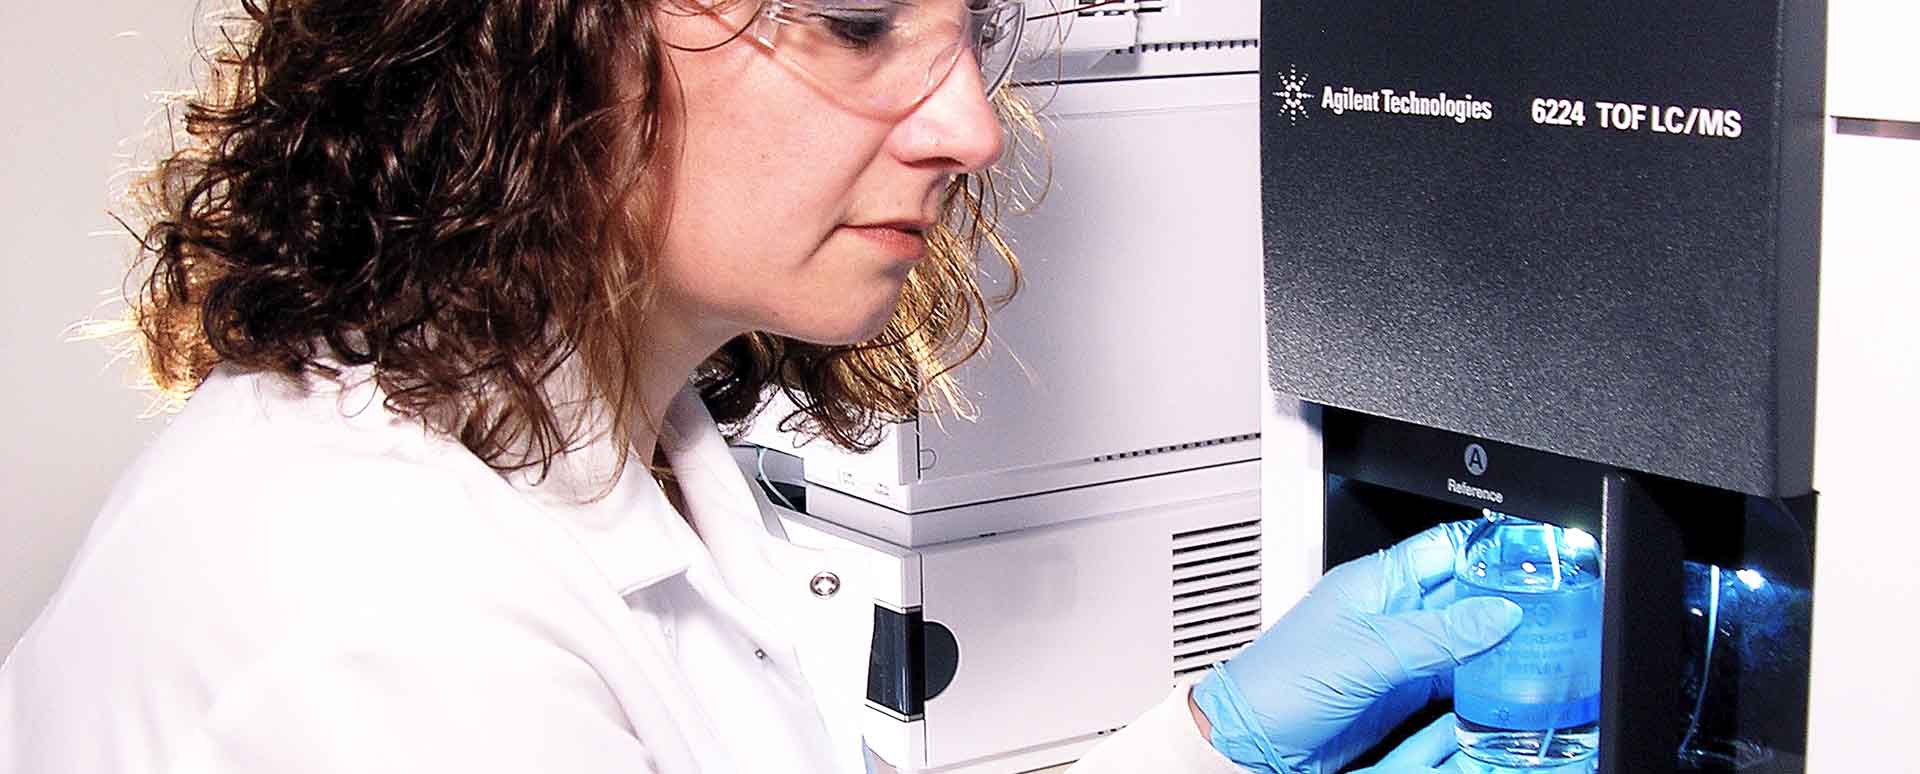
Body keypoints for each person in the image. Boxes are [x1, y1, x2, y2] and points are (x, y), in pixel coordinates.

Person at [0, 1, 1523, 772]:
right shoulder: (382, 627)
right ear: (549, 30)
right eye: (861, 17)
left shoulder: (624, 438)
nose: (972, 127)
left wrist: (1216, 740)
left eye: (971, 26)